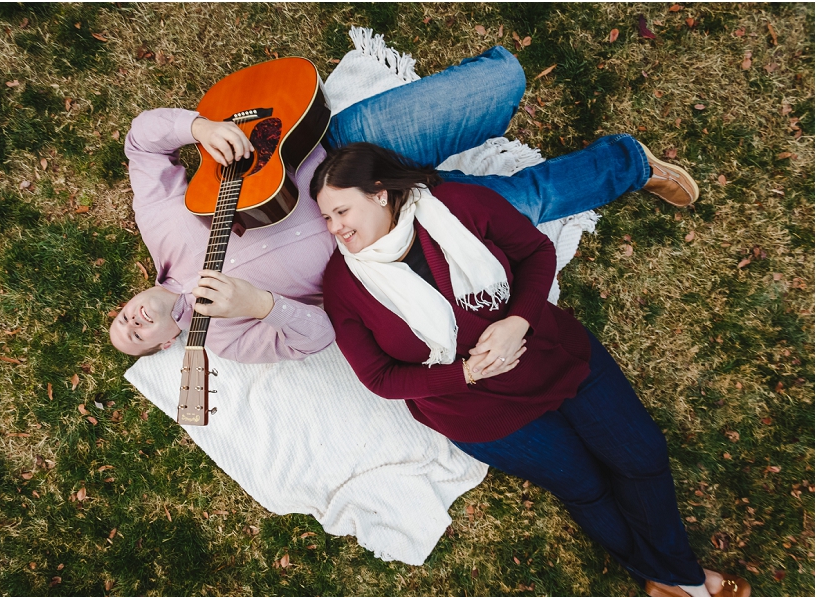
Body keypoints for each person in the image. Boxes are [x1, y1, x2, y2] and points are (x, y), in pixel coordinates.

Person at [312, 142, 750, 597]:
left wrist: (518, 319)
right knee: (585, 486)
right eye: (326, 218)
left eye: (340, 210)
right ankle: (676, 577)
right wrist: (466, 373)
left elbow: (535, 253)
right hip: (480, 412)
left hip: (549, 352)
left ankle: (672, 575)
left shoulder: (457, 205)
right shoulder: (343, 284)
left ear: (379, 193)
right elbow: (379, 378)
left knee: (642, 455)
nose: (335, 228)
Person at [110, 45, 698, 362]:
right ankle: (632, 164)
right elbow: (319, 336)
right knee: (526, 202)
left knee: (501, 82)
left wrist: (199, 126)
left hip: (347, 154)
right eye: (135, 336)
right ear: (164, 344)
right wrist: (262, 304)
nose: (132, 321)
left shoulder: (160, 228)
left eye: (121, 318)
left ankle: (490, 110)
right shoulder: (227, 340)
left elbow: (140, 143)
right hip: (392, 232)